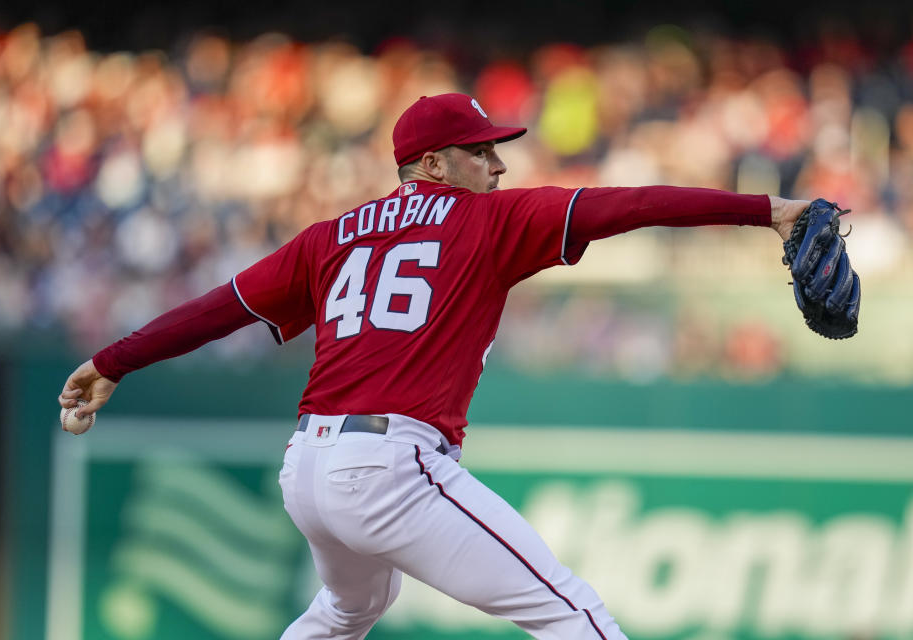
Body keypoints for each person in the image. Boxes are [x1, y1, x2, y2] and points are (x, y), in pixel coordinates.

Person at [59, 93, 811, 639]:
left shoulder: (333, 235)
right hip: (388, 465)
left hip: (309, 472)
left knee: (347, 612)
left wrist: (113, 360)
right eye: (481, 150)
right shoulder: (491, 220)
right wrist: (766, 210)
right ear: (432, 162)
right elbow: (633, 205)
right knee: (576, 615)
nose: (498, 163)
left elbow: (220, 307)